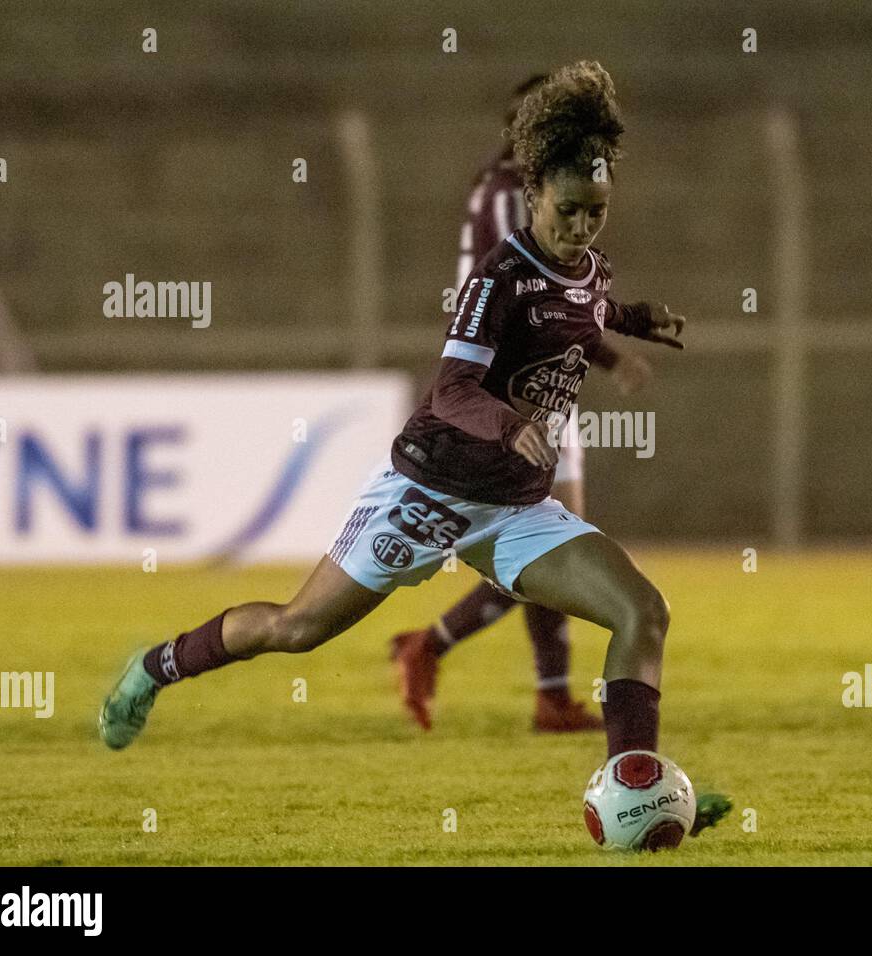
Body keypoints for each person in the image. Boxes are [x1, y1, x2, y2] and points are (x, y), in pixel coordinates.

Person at [97, 59, 729, 836]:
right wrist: (512, 424)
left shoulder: (589, 264)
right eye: (567, 210)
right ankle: (153, 668)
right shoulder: (497, 281)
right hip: (428, 491)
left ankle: (639, 787)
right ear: (530, 195)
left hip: (513, 510)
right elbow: (453, 391)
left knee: (643, 611)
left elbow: (585, 304)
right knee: (296, 630)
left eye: (596, 212)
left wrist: (634, 317)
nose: (580, 227)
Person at [389, 74, 654, 734]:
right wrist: (611, 354)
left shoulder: (505, 184)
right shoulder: (516, 194)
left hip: (537, 380)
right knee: (547, 545)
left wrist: (612, 343)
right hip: (511, 390)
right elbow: (535, 296)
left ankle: (544, 692)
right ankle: (444, 650)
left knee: (551, 540)